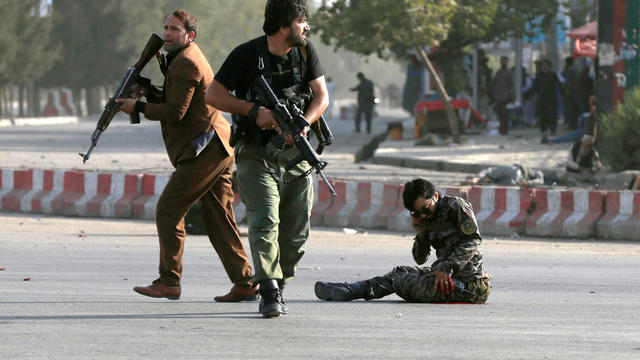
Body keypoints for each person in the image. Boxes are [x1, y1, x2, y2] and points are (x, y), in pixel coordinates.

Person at [116, 9, 256, 302]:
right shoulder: (181, 59)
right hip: (215, 145)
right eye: (165, 28)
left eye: (174, 30)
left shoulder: (186, 63)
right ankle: (245, 282)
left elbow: (176, 112)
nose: (167, 33)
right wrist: (148, 91)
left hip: (205, 149)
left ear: (189, 36)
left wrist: (137, 107)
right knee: (218, 217)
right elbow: (180, 101)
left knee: (169, 209)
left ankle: (169, 280)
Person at [205, 0, 328, 318]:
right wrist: (254, 111)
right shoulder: (247, 54)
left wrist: (305, 121)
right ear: (286, 23)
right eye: (302, 21)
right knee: (264, 222)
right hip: (256, 153)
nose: (307, 28)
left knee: (297, 231)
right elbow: (213, 95)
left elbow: (321, 95)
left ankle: (280, 282)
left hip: (297, 155)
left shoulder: (305, 53)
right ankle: (269, 289)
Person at [315, 178, 491, 304]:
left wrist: (448, 266)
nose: (423, 215)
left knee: (401, 280)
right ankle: (351, 290)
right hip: (443, 278)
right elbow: (420, 259)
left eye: (425, 209)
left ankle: (352, 291)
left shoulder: (456, 207)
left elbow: (473, 239)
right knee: (400, 271)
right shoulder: (425, 220)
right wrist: (421, 234)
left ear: (435, 196)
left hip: (469, 285)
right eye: (416, 213)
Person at [526, 59, 563, 142]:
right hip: (542, 98)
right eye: (543, 66)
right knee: (542, 115)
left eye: (546, 65)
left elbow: (559, 85)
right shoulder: (539, 75)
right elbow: (534, 86)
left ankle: (553, 129)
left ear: (549, 67)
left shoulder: (553, 75)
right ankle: (544, 132)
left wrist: (563, 94)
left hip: (552, 98)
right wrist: (532, 95)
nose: (545, 67)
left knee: (553, 115)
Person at [489, 56, 514, 135]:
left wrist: (511, 95)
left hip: (505, 97)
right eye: (502, 61)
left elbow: (512, 85)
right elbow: (493, 83)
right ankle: (502, 129)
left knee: (504, 114)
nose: (503, 63)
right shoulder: (499, 72)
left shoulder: (509, 72)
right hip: (498, 97)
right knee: (500, 113)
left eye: (505, 61)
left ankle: (504, 129)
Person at [462, 164, 544, 187]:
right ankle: (477, 179)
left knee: (491, 175)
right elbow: (540, 181)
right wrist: (527, 183)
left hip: (516, 174)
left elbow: (540, 181)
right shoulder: (537, 172)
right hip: (516, 173)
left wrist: (527, 183)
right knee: (491, 174)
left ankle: (477, 179)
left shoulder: (538, 173)